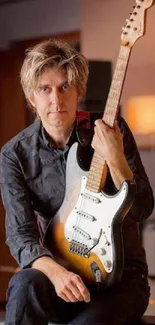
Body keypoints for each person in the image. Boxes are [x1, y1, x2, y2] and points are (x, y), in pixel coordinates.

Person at [0, 38, 154, 325]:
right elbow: (21, 234)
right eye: (45, 89)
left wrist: (115, 157)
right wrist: (57, 274)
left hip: (122, 279)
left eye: (65, 87)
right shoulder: (15, 154)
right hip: (63, 273)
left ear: (79, 90)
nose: (56, 100)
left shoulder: (113, 129)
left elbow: (143, 207)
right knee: (23, 286)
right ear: (31, 97)